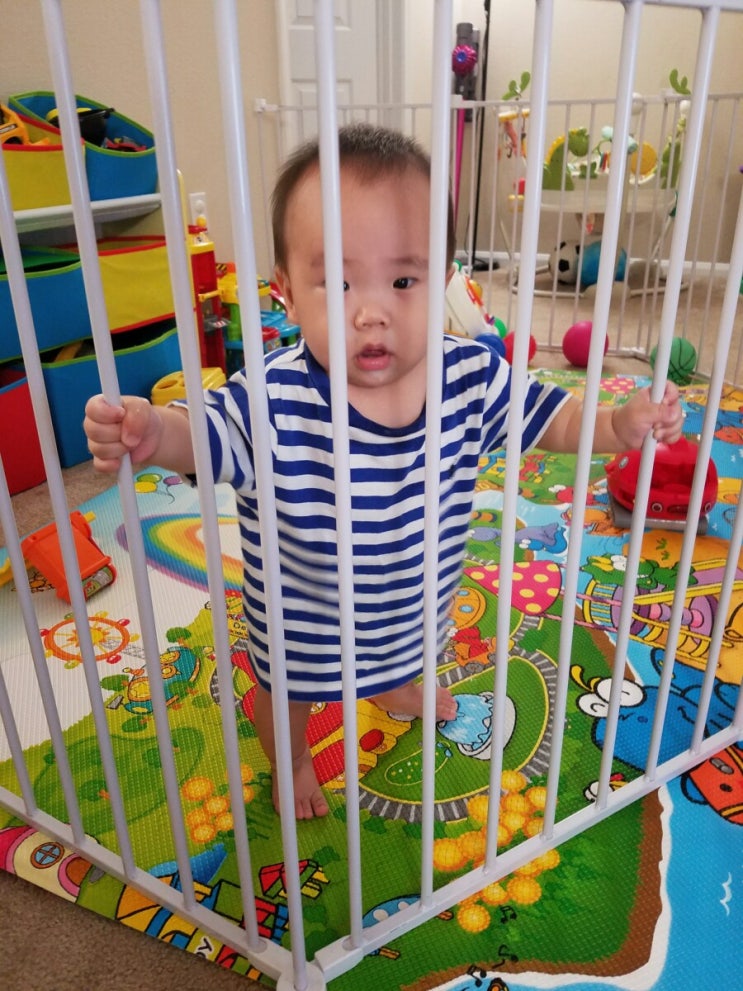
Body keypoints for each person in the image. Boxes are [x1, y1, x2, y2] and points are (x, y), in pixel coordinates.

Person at [84, 122, 684, 820]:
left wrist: (617, 424)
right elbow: (207, 434)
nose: (371, 313)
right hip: (304, 621)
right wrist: (156, 432)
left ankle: (393, 683)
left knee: (410, 651)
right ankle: (294, 760)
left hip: (412, 602)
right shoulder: (273, 395)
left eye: (403, 280)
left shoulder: (469, 376)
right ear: (286, 292)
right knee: (285, 696)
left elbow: (557, 419)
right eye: (337, 283)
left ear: (444, 280)